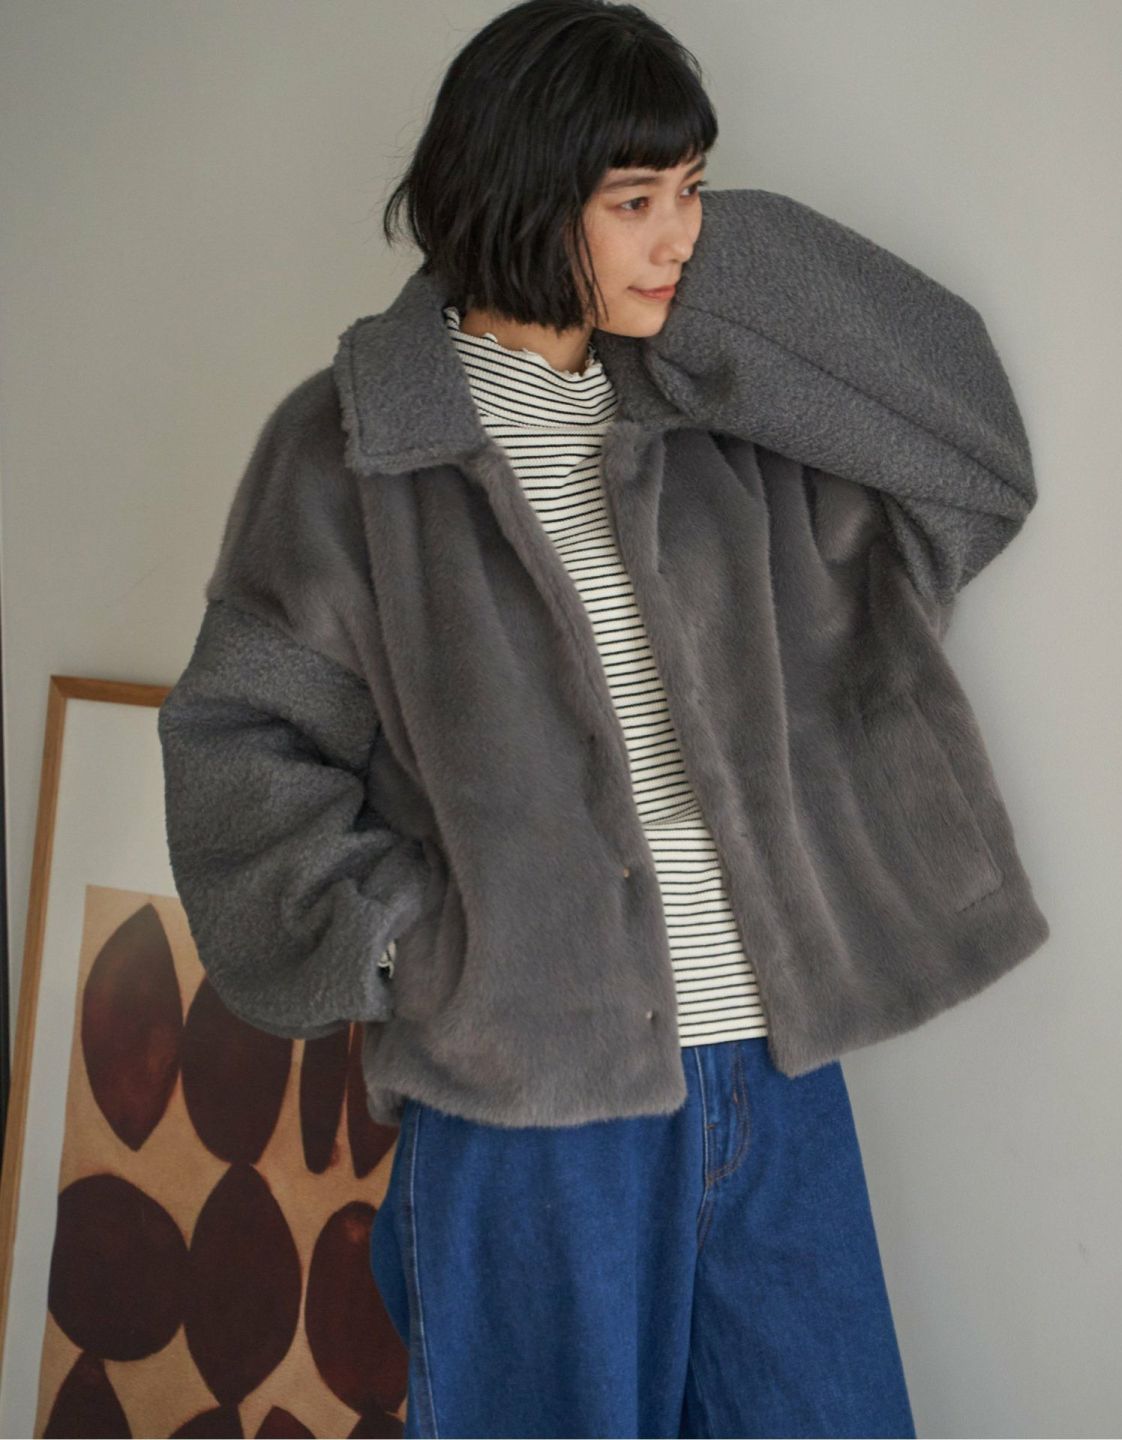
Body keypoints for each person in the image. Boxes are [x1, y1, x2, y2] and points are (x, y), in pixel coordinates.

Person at [159, 2, 1050, 1435]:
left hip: (773, 1075)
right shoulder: (349, 452)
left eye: (691, 190)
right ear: (521, 193)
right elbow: (240, 744)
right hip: (532, 1113)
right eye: (635, 201)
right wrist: (411, 950)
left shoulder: (718, 425)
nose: (677, 235)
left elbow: (974, 457)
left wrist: (714, 278)